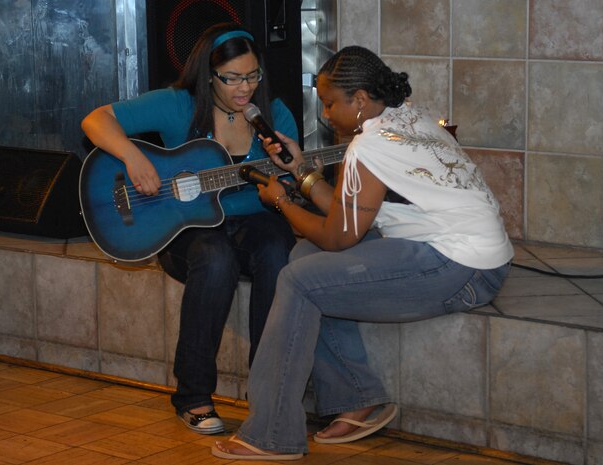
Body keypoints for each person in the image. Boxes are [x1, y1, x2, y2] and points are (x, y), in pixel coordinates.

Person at [212, 45, 514, 460]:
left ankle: (270, 434)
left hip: (461, 269)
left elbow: (340, 237)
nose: (325, 114)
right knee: (303, 258)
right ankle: (357, 398)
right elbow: (348, 214)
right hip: (471, 257)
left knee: (298, 279)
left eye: (331, 103)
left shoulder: (369, 146)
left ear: (359, 99)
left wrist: (281, 203)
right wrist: (299, 170)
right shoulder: (409, 118)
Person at [81, 23, 298, 434]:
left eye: (252, 76)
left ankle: (269, 392)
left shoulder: (273, 113)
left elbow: (289, 183)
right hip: (186, 228)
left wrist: (292, 171)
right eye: (231, 78)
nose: (244, 87)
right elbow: (96, 120)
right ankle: (193, 396)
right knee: (215, 259)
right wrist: (132, 157)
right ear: (208, 74)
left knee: (277, 249)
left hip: (252, 221)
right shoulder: (178, 105)